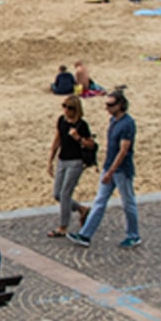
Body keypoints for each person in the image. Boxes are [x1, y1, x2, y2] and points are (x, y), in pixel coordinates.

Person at [70, 87, 139, 247]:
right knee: (100, 201)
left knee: (128, 203)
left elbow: (123, 150)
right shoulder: (114, 121)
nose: (107, 108)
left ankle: (133, 234)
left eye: (110, 105)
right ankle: (85, 235)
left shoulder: (127, 124)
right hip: (110, 168)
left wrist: (111, 171)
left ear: (120, 105)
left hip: (121, 170)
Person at [47, 95, 96, 238]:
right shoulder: (61, 121)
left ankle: (63, 226)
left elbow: (91, 144)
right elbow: (57, 140)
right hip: (62, 160)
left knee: (65, 193)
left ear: (76, 110)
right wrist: (50, 160)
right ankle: (81, 209)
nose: (66, 110)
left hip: (76, 161)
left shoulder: (82, 125)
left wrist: (78, 138)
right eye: (64, 106)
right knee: (57, 194)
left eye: (69, 108)